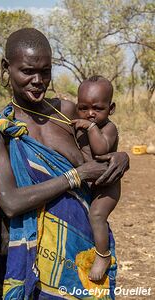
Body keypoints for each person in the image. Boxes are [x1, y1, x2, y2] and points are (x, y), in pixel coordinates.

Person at [0, 28, 129, 300]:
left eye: (46, 71)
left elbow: (99, 155)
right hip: (30, 262)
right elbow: (10, 202)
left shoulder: (68, 112)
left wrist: (121, 156)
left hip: (82, 250)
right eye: (27, 71)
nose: (38, 81)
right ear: (7, 67)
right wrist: (76, 175)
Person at [72, 76, 120, 281]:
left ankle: (103, 256)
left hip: (107, 187)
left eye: (97, 109)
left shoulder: (108, 128)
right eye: (83, 108)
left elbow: (101, 149)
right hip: (89, 184)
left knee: (97, 216)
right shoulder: (79, 125)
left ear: (111, 109)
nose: (90, 114)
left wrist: (90, 128)